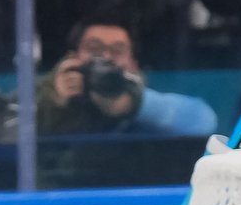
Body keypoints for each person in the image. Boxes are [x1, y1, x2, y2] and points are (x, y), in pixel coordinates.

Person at [36, 14, 216, 137]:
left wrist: (131, 104)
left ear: (133, 65)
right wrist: (52, 102)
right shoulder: (49, 93)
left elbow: (204, 122)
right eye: (94, 49)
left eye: (117, 51)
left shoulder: (143, 101)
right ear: (72, 58)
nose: (106, 57)